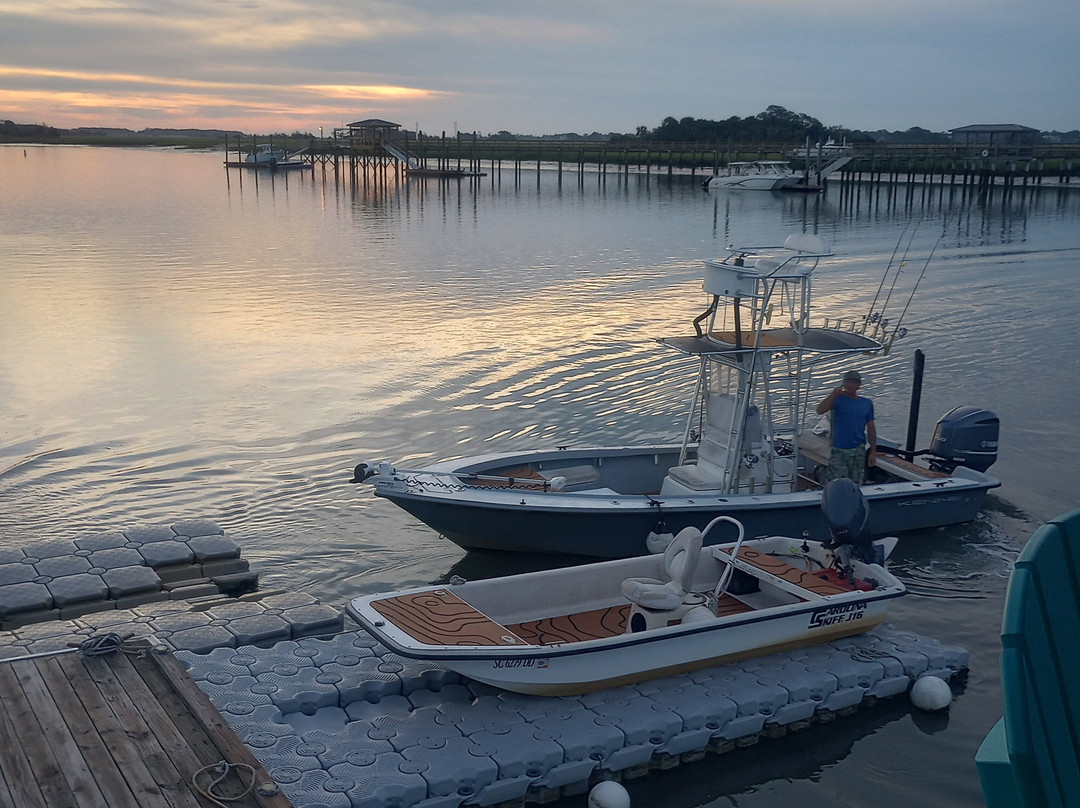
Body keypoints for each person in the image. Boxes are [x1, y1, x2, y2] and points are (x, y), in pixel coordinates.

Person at [815, 370, 877, 484]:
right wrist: (833, 394)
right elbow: (819, 410)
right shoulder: (837, 400)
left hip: (858, 449)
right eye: (848, 382)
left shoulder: (866, 403)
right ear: (843, 383)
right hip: (839, 449)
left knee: (856, 482)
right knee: (836, 482)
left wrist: (873, 451)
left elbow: (871, 427)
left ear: (859, 385)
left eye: (854, 382)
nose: (851, 385)